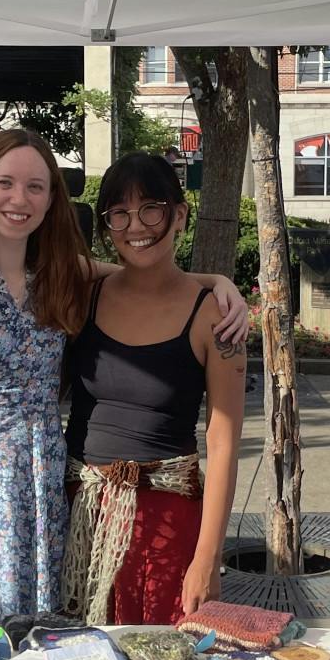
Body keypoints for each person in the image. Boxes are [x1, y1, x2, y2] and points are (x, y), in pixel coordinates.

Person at [0, 128, 249, 622]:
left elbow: (143, 273)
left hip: (46, 494)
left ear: (50, 201)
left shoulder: (61, 278)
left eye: (35, 187)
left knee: (44, 650)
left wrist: (218, 284)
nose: (19, 198)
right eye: (5, 183)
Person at [62, 154, 246, 625]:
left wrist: (207, 556)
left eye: (151, 209)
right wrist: (216, 277)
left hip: (166, 524)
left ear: (179, 215)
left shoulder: (214, 320)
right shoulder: (86, 293)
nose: (135, 225)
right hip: (77, 513)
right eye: (119, 213)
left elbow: (223, 443)